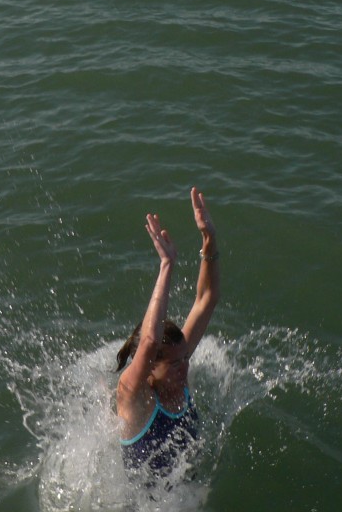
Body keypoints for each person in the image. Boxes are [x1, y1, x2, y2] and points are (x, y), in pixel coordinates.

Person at [115, 187, 220, 482]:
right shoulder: (134, 397)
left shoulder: (177, 366)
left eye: (184, 358)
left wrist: (209, 240)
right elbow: (150, 342)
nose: (184, 367)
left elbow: (207, 299)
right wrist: (166, 265)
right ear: (150, 366)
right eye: (174, 364)